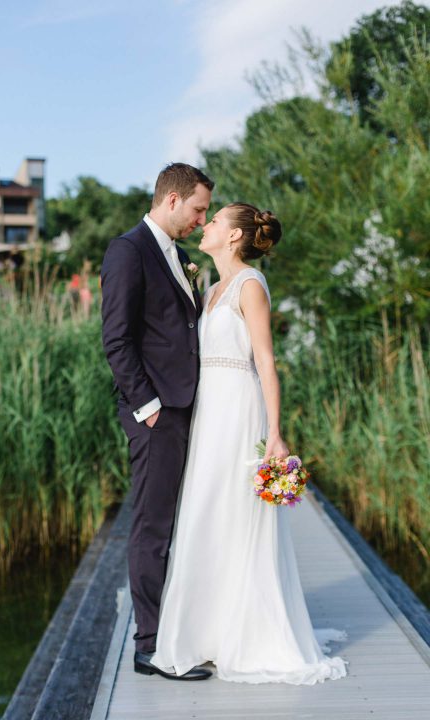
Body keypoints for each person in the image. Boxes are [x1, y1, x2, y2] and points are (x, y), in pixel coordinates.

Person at [152, 203, 348, 684]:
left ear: (236, 236)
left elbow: (266, 361)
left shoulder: (250, 286)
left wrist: (275, 434)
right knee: (206, 511)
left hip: (240, 409)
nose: (206, 225)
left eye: (215, 220)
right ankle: (207, 633)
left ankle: (248, 633)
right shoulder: (212, 287)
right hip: (207, 412)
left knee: (238, 514)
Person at [101, 163, 214, 681]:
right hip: (157, 413)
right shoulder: (128, 250)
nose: (200, 219)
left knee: (183, 521)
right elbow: (117, 339)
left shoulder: (181, 257)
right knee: (152, 526)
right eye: (198, 209)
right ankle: (149, 646)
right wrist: (148, 408)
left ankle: (179, 629)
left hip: (190, 407)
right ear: (172, 201)